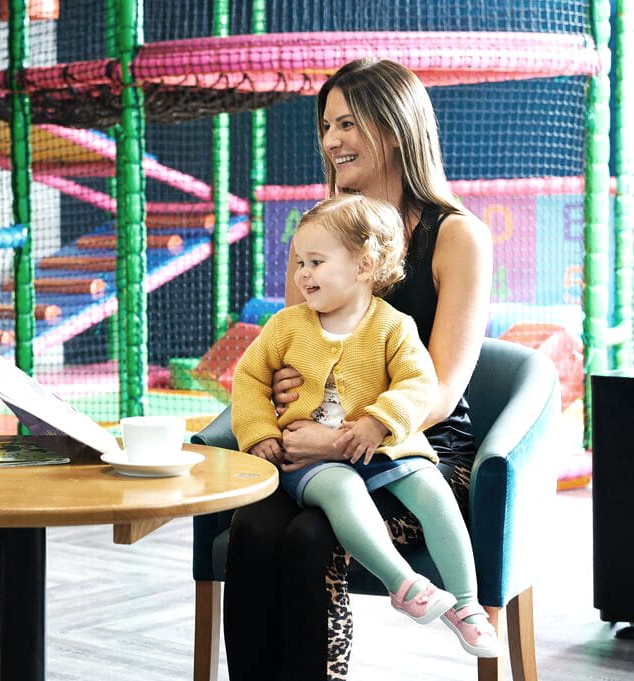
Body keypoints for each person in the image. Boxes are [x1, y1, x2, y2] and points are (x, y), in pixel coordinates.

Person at [222, 57, 494, 680]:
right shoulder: (323, 229)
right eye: (326, 126)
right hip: (314, 439)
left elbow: (443, 390)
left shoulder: (458, 237)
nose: (330, 141)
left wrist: (345, 440)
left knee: (311, 535)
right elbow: (288, 352)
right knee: (256, 525)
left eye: (346, 124)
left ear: (394, 127)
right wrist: (288, 398)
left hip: (420, 448)